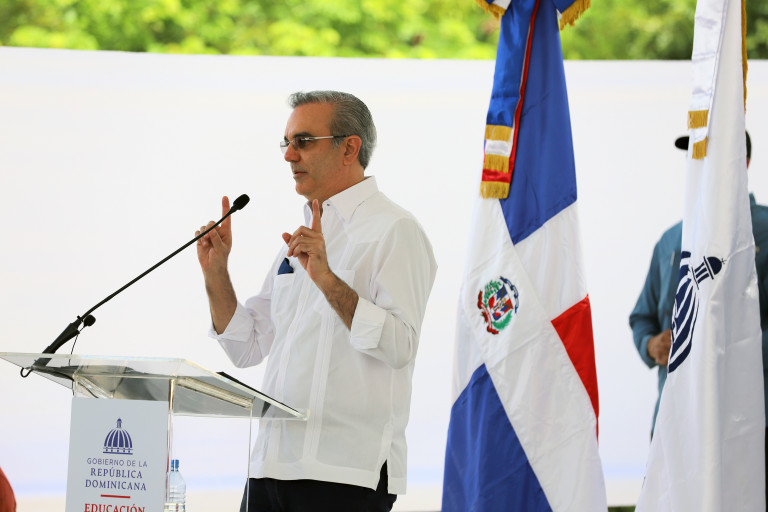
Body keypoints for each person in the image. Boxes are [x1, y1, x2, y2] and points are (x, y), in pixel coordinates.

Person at [196, 90, 437, 512]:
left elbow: (400, 346)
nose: (289, 155)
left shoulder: (395, 230)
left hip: (345, 473)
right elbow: (247, 346)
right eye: (287, 143)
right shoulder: (299, 238)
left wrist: (326, 279)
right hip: (270, 465)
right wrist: (216, 273)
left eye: (303, 141)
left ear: (349, 148)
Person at [629, 131, 768, 444]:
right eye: (696, 156)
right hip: (676, 422)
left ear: (743, 163)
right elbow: (642, 317)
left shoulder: (765, 231)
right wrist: (651, 345)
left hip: (751, 424)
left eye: (710, 154)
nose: (701, 164)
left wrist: (725, 348)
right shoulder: (670, 241)